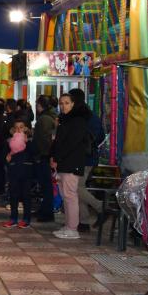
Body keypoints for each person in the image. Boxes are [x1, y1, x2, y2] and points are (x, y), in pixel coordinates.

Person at [50, 93, 91, 239]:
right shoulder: (64, 120)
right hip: (63, 163)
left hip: (71, 163)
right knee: (65, 196)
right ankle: (68, 225)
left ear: (73, 104)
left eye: (66, 103)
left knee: (70, 196)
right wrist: (54, 157)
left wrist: (57, 157)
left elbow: (71, 143)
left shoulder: (78, 121)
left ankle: (73, 228)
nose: (63, 106)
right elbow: (59, 142)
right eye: (61, 103)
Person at [68, 88, 106, 232]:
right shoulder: (92, 116)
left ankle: (100, 207)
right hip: (89, 157)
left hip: (84, 158)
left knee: (77, 187)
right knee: (78, 188)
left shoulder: (79, 116)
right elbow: (101, 136)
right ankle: (83, 221)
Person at [2, 120, 33, 228]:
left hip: (26, 170)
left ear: (25, 129)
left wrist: (27, 142)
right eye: (16, 127)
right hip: (14, 170)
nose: (19, 129)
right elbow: (4, 156)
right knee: (13, 195)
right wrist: (8, 157)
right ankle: (13, 218)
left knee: (26, 195)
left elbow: (34, 153)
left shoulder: (30, 141)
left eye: (21, 127)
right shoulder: (9, 141)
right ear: (13, 130)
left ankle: (26, 219)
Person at [33, 95, 58, 222]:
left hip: (44, 157)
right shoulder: (50, 117)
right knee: (46, 186)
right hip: (45, 156)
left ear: (40, 106)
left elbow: (44, 140)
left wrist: (40, 154)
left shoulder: (44, 119)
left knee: (46, 186)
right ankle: (45, 210)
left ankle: (47, 212)